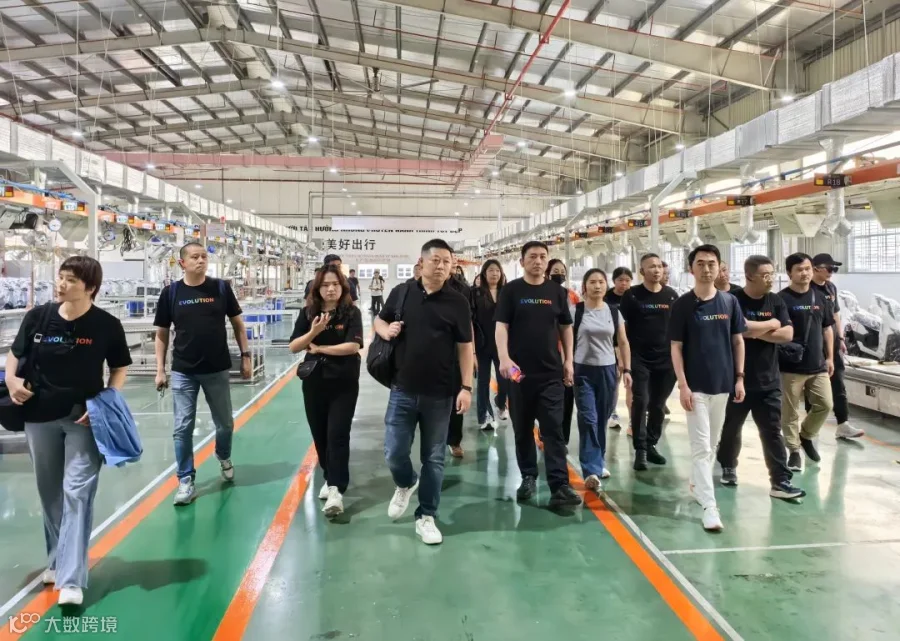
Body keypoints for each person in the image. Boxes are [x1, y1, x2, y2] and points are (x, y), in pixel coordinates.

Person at [5, 256, 132, 605]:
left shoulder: (106, 325)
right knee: (50, 494)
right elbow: (16, 354)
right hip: (39, 417)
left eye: (71, 280)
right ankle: (57, 561)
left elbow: (119, 367)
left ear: (91, 288)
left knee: (77, 493)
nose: (61, 284)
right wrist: (12, 380)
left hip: (84, 419)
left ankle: (72, 578)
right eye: (60, 277)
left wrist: (106, 401)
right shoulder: (38, 317)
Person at [375, 239, 473, 545]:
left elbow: (465, 347)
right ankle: (406, 482)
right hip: (402, 389)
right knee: (394, 451)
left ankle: (426, 515)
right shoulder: (402, 292)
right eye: (436, 260)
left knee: (434, 457)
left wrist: (466, 387)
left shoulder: (458, 302)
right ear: (422, 262)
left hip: (440, 394)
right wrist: (385, 331)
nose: (441, 266)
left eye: (447, 261)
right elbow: (379, 319)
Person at [154, 242, 251, 506]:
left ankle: (223, 455)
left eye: (204, 257)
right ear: (182, 263)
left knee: (225, 424)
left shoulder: (221, 288)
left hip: (217, 369)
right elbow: (162, 333)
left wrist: (245, 356)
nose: (201, 261)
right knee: (182, 427)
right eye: (195, 257)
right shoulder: (171, 293)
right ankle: (186, 479)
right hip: (183, 371)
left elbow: (238, 324)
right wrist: (160, 369)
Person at [496, 241, 581, 508]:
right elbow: (501, 326)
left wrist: (569, 360)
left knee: (553, 429)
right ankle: (528, 477)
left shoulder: (557, 292)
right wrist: (504, 358)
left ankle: (559, 485)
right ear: (522, 261)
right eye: (532, 256)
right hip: (519, 374)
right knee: (522, 429)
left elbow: (566, 327)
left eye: (543, 257)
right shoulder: (511, 290)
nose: (538, 261)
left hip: (551, 373)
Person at [669, 244, 746, 532]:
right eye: (700, 263)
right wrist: (683, 385)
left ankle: (696, 483)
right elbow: (676, 347)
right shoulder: (682, 305)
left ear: (719, 266)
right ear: (691, 269)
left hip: (722, 384)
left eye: (711, 263)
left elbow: (738, 341)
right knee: (701, 447)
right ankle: (710, 507)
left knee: (711, 444)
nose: (706, 268)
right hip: (696, 387)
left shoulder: (729, 302)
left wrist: (739, 377)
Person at [716, 256, 805, 499]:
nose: (771, 279)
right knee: (731, 428)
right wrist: (771, 323)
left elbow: (787, 334)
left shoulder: (775, 300)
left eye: (772, 273)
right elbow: (739, 329)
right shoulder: (733, 300)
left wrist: (755, 331)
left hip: (769, 380)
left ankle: (780, 481)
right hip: (737, 379)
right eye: (765, 275)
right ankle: (728, 465)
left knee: (772, 431)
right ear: (749, 276)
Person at [289, 266, 363, 518]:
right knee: (320, 435)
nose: (331, 289)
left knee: (337, 434)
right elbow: (294, 346)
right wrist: (314, 332)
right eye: (325, 285)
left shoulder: (351, 313)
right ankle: (330, 477)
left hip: (344, 382)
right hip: (314, 383)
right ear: (317, 289)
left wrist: (320, 349)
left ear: (343, 287)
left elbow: (352, 346)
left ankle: (336, 490)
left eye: (335, 284)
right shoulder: (308, 313)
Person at [571, 269, 631, 492]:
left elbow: (623, 342)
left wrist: (627, 369)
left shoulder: (614, 312)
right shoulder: (576, 311)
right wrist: (566, 365)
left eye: (601, 282)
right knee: (588, 418)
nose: (597, 286)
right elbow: (566, 340)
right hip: (582, 370)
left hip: (607, 370)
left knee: (602, 418)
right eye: (592, 282)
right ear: (585, 287)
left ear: (606, 286)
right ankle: (591, 470)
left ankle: (598, 460)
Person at [619, 253, 679, 470]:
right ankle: (640, 449)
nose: (656, 270)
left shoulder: (671, 296)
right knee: (641, 401)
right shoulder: (632, 295)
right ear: (642, 271)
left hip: (666, 360)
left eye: (659, 266)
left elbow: (678, 328)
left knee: (658, 405)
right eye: (651, 267)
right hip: (639, 359)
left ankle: (651, 443)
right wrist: (623, 360)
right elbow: (621, 329)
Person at [779, 253, 835, 472]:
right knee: (790, 412)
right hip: (791, 366)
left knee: (825, 404)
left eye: (808, 269)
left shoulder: (820, 297)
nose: (805, 273)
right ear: (789, 273)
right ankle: (793, 450)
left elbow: (827, 328)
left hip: (817, 364)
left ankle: (806, 435)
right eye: (799, 270)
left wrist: (830, 357)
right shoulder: (781, 299)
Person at [809, 254, 864, 439]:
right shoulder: (807, 289)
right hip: (814, 343)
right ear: (816, 268)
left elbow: (836, 314)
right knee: (812, 385)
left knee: (838, 382)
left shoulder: (831, 287)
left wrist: (840, 338)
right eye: (829, 268)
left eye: (834, 269)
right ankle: (811, 427)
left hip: (832, 341)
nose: (832, 272)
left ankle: (843, 424)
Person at [471, 259, 508, 430]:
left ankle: (501, 402)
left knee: (507, 378)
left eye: (497, 270)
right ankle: (485, 416)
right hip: (482, 344)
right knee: (483, 381)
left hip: (503, 346)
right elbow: (470, 321)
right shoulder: (475, 293)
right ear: (484, 274)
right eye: (491, 270)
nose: (494, 273)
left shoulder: (507, 293)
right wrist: (472, 350)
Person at [547, 259, 581, 444]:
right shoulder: (542, 294)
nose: (559, 274)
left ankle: (563, 438)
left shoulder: (572, 296)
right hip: (547, 351)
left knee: (567, 393)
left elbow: (574, 323)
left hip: (568, 350)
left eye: (562, 271)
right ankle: (548, 431)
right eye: (555, 270)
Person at [445, 254, 472, 458]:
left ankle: (454, 441)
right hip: (430, 355)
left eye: (450, 261)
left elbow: (469, 323)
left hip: (456, 350)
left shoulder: (462, 289)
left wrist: (473, 352)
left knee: (457, 396)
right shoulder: (415, 289)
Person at [605, 266, 632, 431]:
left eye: (627, 280)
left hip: (632, 346)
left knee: (631, 383)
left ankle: (633, 419)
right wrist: (616, 350)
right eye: (620, 280)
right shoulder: (606, 298)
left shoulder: (634, 297)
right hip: (611, 346)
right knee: (614, 380)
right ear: (614, 281)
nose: (624, 284)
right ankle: (612, 413)